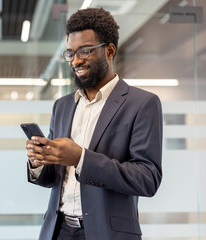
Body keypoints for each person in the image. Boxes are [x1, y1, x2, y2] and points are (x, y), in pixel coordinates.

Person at [26, 8, 163, 240]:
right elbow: (53, 179)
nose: (76, 61)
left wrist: (80, 158)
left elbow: (147, 179)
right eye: (70, 53)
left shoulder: (142, 103)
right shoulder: (62, 106)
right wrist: (38, 162)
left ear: (109, 50)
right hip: (57, 231)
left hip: (106, 233)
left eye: (85, 51)